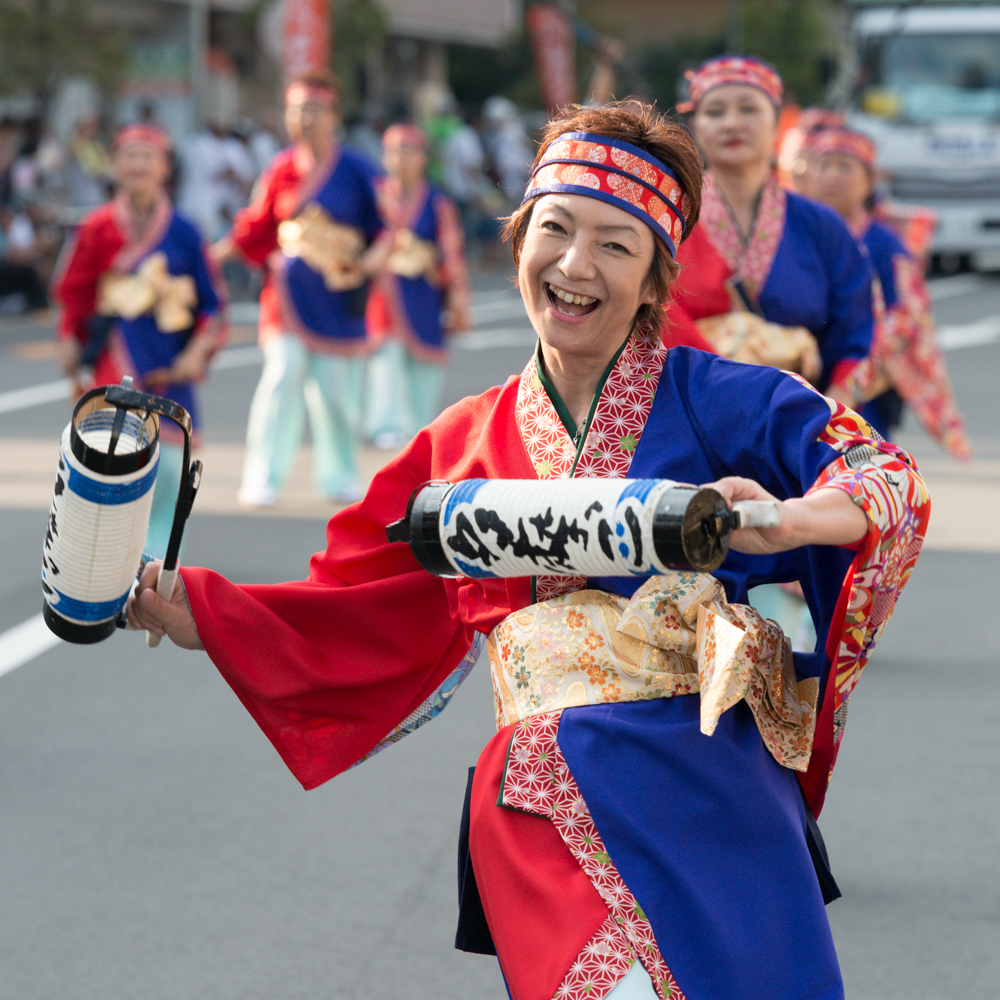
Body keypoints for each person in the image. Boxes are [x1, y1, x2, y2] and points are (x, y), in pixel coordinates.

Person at [126, 102, 929, 1000]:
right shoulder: (456, 445)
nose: (577, 265)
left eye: (616, 246)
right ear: (518, 246)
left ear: (657, 281)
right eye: (555, 229)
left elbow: (879, 472)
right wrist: (203, 612)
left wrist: (791, 522)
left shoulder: (719, 398)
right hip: (544, 795)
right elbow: (351, 599)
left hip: (708, 785)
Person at [51, 122, 225, 558]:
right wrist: (69, 339)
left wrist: (196, 351)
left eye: (148, 156)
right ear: (115, 166)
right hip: (114, 356)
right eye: (129, 156)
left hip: (169, 364)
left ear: (165, 168)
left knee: (167, 469)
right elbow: (73, 292)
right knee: (113, 464)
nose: (138, 165)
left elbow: (212, 303)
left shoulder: (185, 231)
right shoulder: (95, 228)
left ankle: (152, 567)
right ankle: (103, 565)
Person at [212, 73, 384, 508]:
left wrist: (366, 265)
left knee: (334, 394)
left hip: (337, 298)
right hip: (285, 298)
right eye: (296, 110)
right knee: (281, 379)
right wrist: (212, 257)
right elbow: (255, 227)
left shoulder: (358, 168)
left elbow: (386, 229)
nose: (304, 119)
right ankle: (262, 476)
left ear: (333, 116)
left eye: (314, 109)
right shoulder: (280, 169)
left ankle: (340, 474)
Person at [666, 57, 874, 406]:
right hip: (690, 410)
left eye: (749, 109)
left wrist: (830, 411)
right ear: (695, 126)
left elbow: (861, 332)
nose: (732, 123)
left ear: (779, 121)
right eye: (715, 112)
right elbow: (645, 312)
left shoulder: (821, 224)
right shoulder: (668, 217)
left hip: (803, 417)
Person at [810, 126, 971, 457]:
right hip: (807, 369)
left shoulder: (886, 243)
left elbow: (906, 313)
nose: (832, 177)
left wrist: (855, 372)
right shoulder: (803, 232)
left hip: (864, 383)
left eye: (845, 167)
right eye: (824, 165)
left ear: (869, 182)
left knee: (855, 465)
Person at [364, 123, 471, 448]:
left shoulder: (438, 203)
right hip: (384, 292)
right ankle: (385, 424)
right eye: (395, 151)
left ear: (424, 158)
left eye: (410, 151)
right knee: (387, 357)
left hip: (424, 291)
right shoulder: (375, 199)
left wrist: (457, 298)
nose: (402, 159)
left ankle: (417, 428)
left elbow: (451, 253)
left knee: (424, 365)